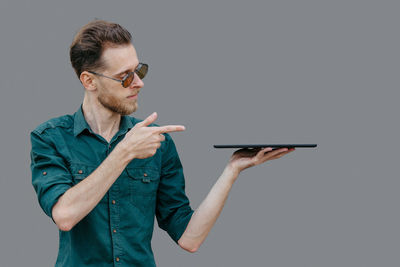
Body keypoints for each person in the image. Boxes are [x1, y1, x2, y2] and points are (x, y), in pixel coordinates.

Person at [30, 19, 295, 267]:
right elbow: (65, 215)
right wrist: (124, 152)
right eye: (125, 76)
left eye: (139, 70)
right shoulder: (50, 137)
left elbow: (189, 238)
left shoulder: (157, 142)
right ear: (89, 81)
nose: (139, 83)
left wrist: (232, 170)